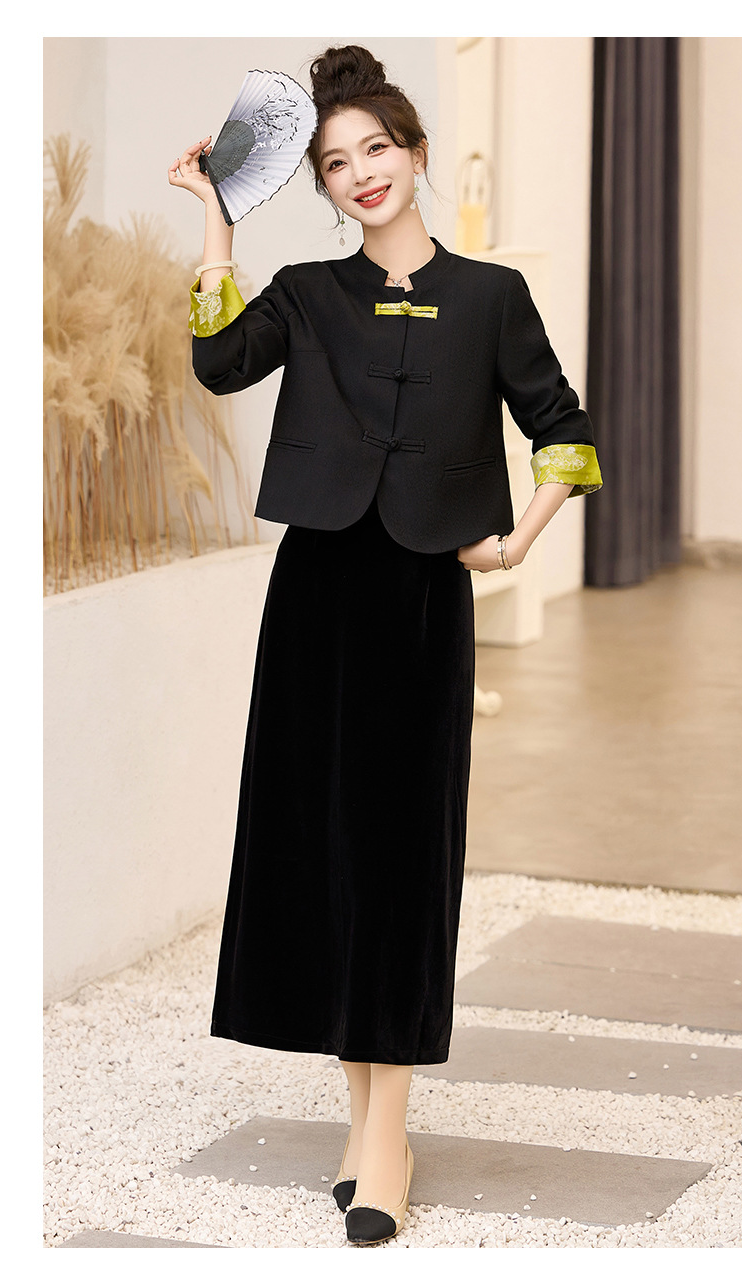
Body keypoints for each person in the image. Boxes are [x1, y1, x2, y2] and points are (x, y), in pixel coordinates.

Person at [168, 44, 603, 1247]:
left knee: (403, 856)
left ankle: (384, 1137)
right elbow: (218, 362)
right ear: (320, 185)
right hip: (315, 595)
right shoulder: (308, 293)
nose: (360, 173)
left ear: (414, 153)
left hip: (420, 599)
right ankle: (372, 1135)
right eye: (334, 163)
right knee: (322, 852)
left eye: (376, 149)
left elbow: (563, 430)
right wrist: (215, 218)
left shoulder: (493, 296)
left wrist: (511, 544)